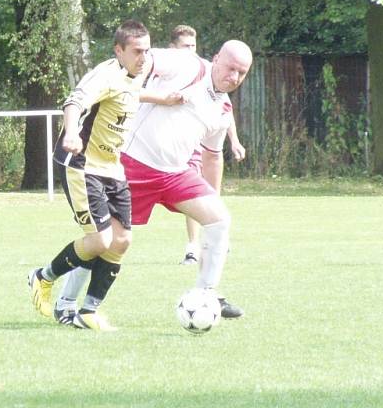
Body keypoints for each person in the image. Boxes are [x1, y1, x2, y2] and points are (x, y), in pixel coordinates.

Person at [52, 39, 253, 323]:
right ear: (216, 58)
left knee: (219, 219)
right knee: (104, 239)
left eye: (241, 73)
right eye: (230, 68)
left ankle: (206, 294)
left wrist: (213, 196)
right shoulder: (188, 64)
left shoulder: (222, 110)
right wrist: (135, 95)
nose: (234, 77)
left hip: (175, 175)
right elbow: (142, 62)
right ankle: (66, 301)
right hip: (132, 165)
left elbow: (212, 157)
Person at [28, 19, 172, 332]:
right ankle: (43, 277)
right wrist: (70, 133)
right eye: (137, 51)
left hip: (112, 167)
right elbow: (74, 101)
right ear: (118, 50)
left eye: (147, 50)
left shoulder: (139, 72)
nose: (144, 57)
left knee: (121, 240)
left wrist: (162, 99)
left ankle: (89, 311)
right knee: (100, 239)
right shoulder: (104, 75)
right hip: (83, 164)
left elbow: (131, 94)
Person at [169, 25, 246, 267]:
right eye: (185, 46)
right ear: (173, 48)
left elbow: (224, 109)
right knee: (192, 195)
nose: (190, 51)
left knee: (207, 196)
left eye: (193, 46)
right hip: (177, 148)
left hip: (205, 147)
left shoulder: (206, 71)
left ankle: (213, 238)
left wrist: (234, 140)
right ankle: (193, 246)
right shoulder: (170, 70)